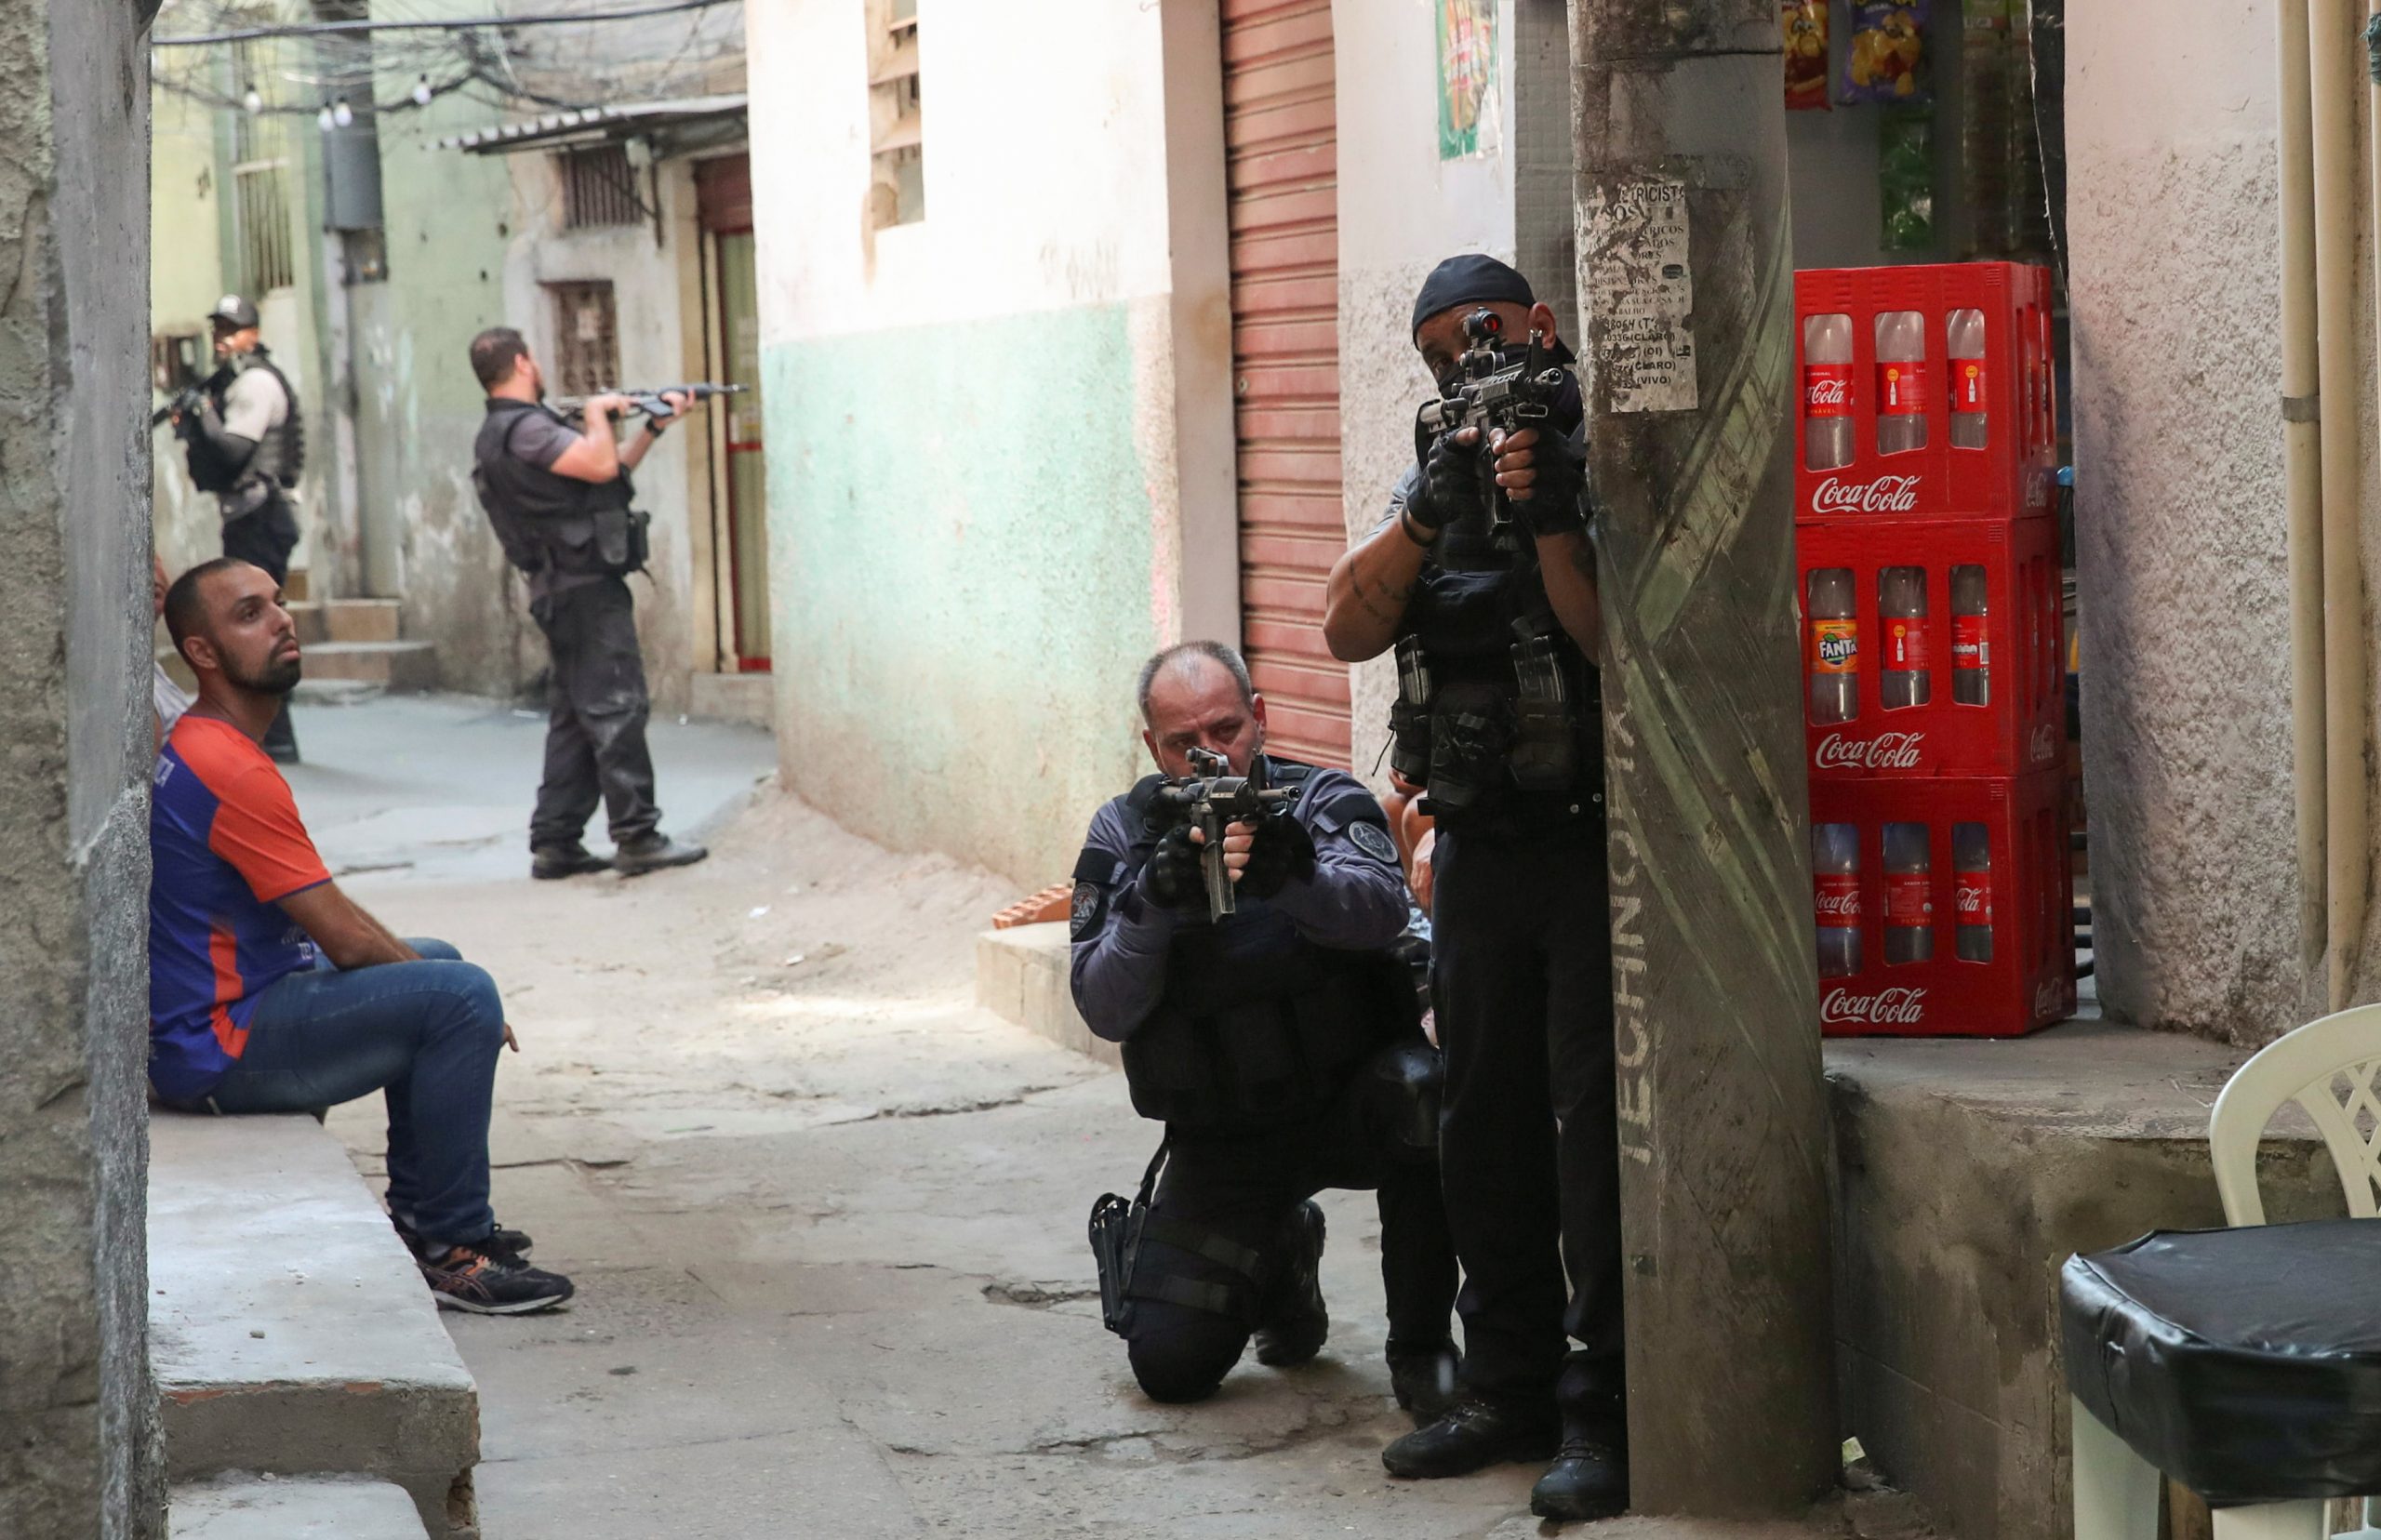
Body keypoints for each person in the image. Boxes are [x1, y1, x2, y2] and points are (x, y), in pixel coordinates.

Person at [1320, 255, 1623, 1521]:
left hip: (1589, 845)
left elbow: (1615, 639)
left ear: (1543, 328)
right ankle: (1503, 1384)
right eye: (1445, 350)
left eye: (1489, 336)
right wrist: (1428, 517)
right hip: (1480, 851)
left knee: (1591, 1137)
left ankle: (1605, 1408)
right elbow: (1344, 625)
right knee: (1480, 1123)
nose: (1471, 365)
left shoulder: (1600, 453)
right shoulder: (1431, 475)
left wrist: (1549, 509)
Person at [149, 557, 573, 1315]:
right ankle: (452, 1248)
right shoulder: (227, 767)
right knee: (458, 994)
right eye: (250, 614)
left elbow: (335, 918)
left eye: (279, 603)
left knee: (440, 964)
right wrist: (471, 1011)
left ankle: (423, 1221)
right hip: (216, 1050)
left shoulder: (215, 743)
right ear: (202, 654)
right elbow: (340, 935)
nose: (282, 620)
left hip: (236, 1014)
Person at [1070, 641, 1461, 1420]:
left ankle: (1423, 1348)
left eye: (1225, 731)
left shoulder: (1317, 801)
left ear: (1260, 719)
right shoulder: (1124, 831)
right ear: (1152, 746)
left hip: (1346, 1105)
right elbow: (1103, 1005)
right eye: (1185, 744)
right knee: (1171, 1366)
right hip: (1224, 1134)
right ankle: (1283, 1258)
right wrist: (1154, 906)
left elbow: (1386, 910)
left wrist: (1298, 880)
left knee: (1425, 1097)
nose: (1209, 755)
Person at [466, 326, 708, 882]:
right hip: (580, 590)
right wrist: (600, 411)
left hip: (566, 587)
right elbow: (599, 464)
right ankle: (638, 836)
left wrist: (652, 425)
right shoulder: (524, 428)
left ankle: (556, 840)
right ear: (523, 363)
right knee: (618, 708)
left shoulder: (510, 431)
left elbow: (606, 475)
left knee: (576, 718)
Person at [170, 294, 304, 763]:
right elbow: (211, 469)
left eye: (233, 330)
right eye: (218, 331)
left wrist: (203, 412)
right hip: (249, 515)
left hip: (263, 516)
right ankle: (275, 734)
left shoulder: (256, 384)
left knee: (258, 626)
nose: (223, 340)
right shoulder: (233, 384)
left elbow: (231, 452)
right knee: (253, 626)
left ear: (254, 334)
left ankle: (275, 734)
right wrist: (192, 424)